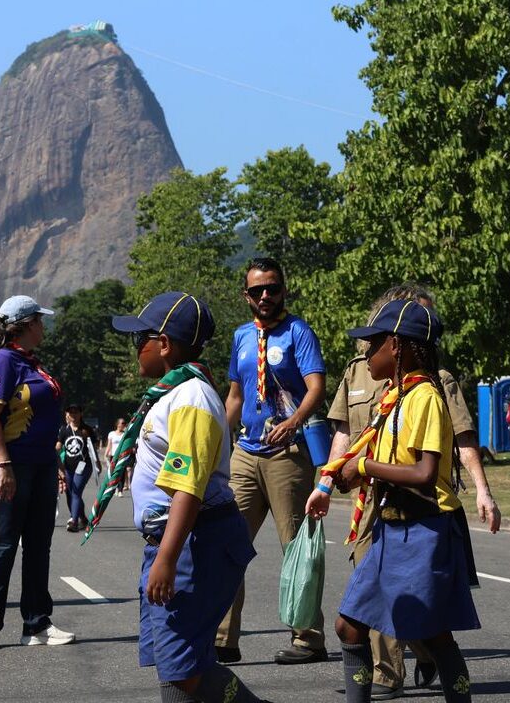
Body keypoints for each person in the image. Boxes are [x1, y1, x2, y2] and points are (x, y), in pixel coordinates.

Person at [326, 285, 500, 699]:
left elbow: (423, 474)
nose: (366, 354)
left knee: (435, 634)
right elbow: (381, 458)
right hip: (388, 528)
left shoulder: (425, 398)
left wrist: (364, 466)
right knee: (348, 625)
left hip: (423, 530)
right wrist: (349, 475)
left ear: (398, 347)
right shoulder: (394, 399)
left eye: (374, 345)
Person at [110, 291, 265, 703]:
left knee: (180, 673)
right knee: (182, 663)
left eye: (139, 338)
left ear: (164, 344)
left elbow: (188, 489)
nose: (135, 349)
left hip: (196, 543)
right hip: (181, 541)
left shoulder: (191, 399)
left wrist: (167, 558)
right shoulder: (173, 393)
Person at [215, 257, 327, 665]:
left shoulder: (298, 331)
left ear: (284, 290)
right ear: (246, 295)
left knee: (296, 548)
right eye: (258, 290)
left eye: (273, 288)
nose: (266, 296)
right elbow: (235, 397)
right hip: (246, 453)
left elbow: (316, 386)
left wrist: (295, 421)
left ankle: (309, 638)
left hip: (287, 456)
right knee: (228, 545)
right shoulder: (242, 336)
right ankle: (224, 639)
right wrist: (218, 444)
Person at [0, 295, 73, 650]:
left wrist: (56, 463)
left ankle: (36, 625)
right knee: (3, 544)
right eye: (40, 321)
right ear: (26, 325)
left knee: (37, 545)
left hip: (42, 462)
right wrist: (4, 465)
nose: (44, 327)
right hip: (11, 463)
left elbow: (45, 421)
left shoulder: (32, 362)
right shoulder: (4, 360)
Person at [58, 404, 102, 532]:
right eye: (70, 413)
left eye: (76, 412)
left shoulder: (87, 430)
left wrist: (97, 463)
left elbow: (93, 449)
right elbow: (59, 445)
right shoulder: (64, 430)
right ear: (67, 415)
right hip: (67, 467)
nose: (73, 415)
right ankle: (82, 518)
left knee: (76, 491)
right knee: (69, 493)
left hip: (84, 466)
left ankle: (74, 520)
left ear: (81, 414)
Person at [105, 417, 129, 495]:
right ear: (117, 424)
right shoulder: (111, 434)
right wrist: (106, 454)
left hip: (122, 456)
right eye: (122, 423)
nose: (124, 424)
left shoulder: (125, 434)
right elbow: (109, 445)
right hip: (113, 456)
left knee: (121, 473)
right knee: (114, 473)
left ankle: (120, 490)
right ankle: (114, 488)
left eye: (124, 423)